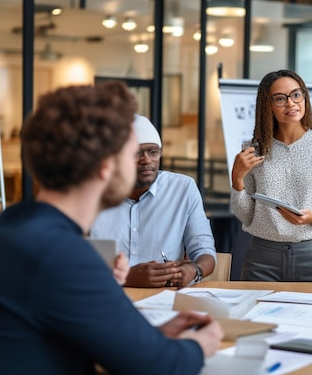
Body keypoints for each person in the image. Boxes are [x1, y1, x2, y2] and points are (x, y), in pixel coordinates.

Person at [0, 82, 223, 375]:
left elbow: (55, 335)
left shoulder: (9, 226)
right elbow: (162, 368)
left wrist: (148, 338)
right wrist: (201, 343)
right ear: (104, 167)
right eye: (130, 154)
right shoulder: (64, 255)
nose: (144, 163)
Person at [230, 69, 312, 282]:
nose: (291, 104)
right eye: (280, 99)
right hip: (261, 258)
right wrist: (237, 181)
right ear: (268, 105)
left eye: (296, 95)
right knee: (255, 316)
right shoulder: (252, 150)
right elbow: (245, 216)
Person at [90, 114, 217, 288]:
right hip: (103, 296)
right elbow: (69, 262)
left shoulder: (183, 188)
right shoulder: (91, 194)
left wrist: (195, 269)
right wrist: (126, 277)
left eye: (153, 152)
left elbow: (204, 250)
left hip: (163, 300)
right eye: (136, 153)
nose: (147, 160)